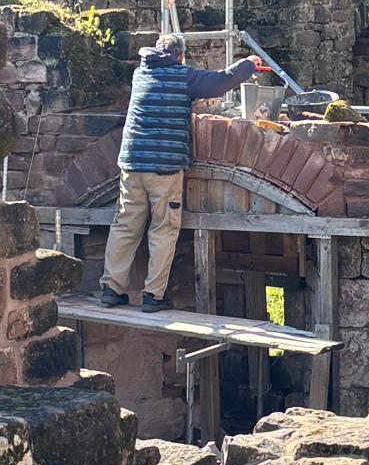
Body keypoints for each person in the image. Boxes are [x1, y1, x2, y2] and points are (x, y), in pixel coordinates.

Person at [99, 34, 259, 312]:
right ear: (180, 55)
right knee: (163, 228)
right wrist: (248, 64)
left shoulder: (140, 74)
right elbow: (219, 82)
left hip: (132, 164)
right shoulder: (182, 76)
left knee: (125, 225)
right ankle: (153, 296)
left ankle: (112, 289)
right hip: (165, 167)